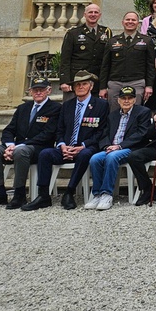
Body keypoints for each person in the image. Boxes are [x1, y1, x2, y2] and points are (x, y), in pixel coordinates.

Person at [24, 71, 109, 211]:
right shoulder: (67, 105)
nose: (80, 87)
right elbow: (59, 130)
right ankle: (43, 195)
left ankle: (69, 192)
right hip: (65, 148)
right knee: (45, 154)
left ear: (91, 87)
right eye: (77, 84)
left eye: (84, 84)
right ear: (73, 88)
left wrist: (82, 146)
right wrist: (62, 145)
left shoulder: (100, 105)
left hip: (86, 147)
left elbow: (102, 131)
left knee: (85, 154)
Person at [0, 77, 61, 210]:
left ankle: (19, 194)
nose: (38, 92)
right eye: (35, 90)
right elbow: (9, 130)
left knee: (20, 151)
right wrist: (9, 145)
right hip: (16, 147)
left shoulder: (55, 108)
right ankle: (0, 193)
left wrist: (18, 147)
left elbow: (48, 134)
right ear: (30, 92)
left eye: (42, 89)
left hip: (38, 148)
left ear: (49, 90)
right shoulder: (23, 108)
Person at [85, 86, 151, 210]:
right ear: (118, 100)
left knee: (111, 157)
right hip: (111, 148)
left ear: (134, 100)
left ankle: (107, 194)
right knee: (95, 158)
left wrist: (119, 146)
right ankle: (97, 194)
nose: (126, 101)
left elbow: (141, 134)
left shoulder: (143, 112)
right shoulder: (112, 115)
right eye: (123, 98)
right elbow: (104, 134)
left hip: (131, 148)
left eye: (129, 98)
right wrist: (106, 146)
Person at [98, 11, 155, 111]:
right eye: (127, 19)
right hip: (115, 83)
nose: (130, 22)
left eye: (133, 20)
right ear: (122, 22)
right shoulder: (112, 41)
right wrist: (102, 87)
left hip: (137, 83)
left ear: (138, 23)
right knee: (113, 113)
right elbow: (105, 66)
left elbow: (150, 65)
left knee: (135, 113)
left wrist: (149, 85)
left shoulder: (146, 41)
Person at [58, 3, 111, 99]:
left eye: (96, 12)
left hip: (96, 81)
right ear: (84, 14)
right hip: (76, 81)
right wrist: (64, 81)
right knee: (72, 110)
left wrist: (105, 84)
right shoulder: (73, 33)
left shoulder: (106, 32)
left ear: (99, 15)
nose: (93, 15)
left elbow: (108, 60)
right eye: (90, 12)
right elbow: (65, 59)